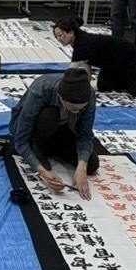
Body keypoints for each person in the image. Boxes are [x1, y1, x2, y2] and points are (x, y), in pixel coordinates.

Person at [10, 66, 98, 200]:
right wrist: (43, 172)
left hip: (62, 128)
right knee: (49, 115)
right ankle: (38, 146)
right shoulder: (41, 89)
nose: (77, 112)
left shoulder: (89, 94)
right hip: (37, 129)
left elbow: (85, 134)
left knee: (92, 164)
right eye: (73, 108)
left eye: (81, 109)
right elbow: (20, 139)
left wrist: (82, 167)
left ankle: (52, 148)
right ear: (61, 97)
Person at [52, 13, 136, 99]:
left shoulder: (82, 43)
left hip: (128, 57)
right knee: (104, 86)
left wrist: (61, 89)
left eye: (60, 35)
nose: (59, 39)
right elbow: (87, 64)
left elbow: (71, 71)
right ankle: (127, 81)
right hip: (111, 63)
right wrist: (86, 86)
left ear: (71, 33)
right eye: (56, 36)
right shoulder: (78, 40)